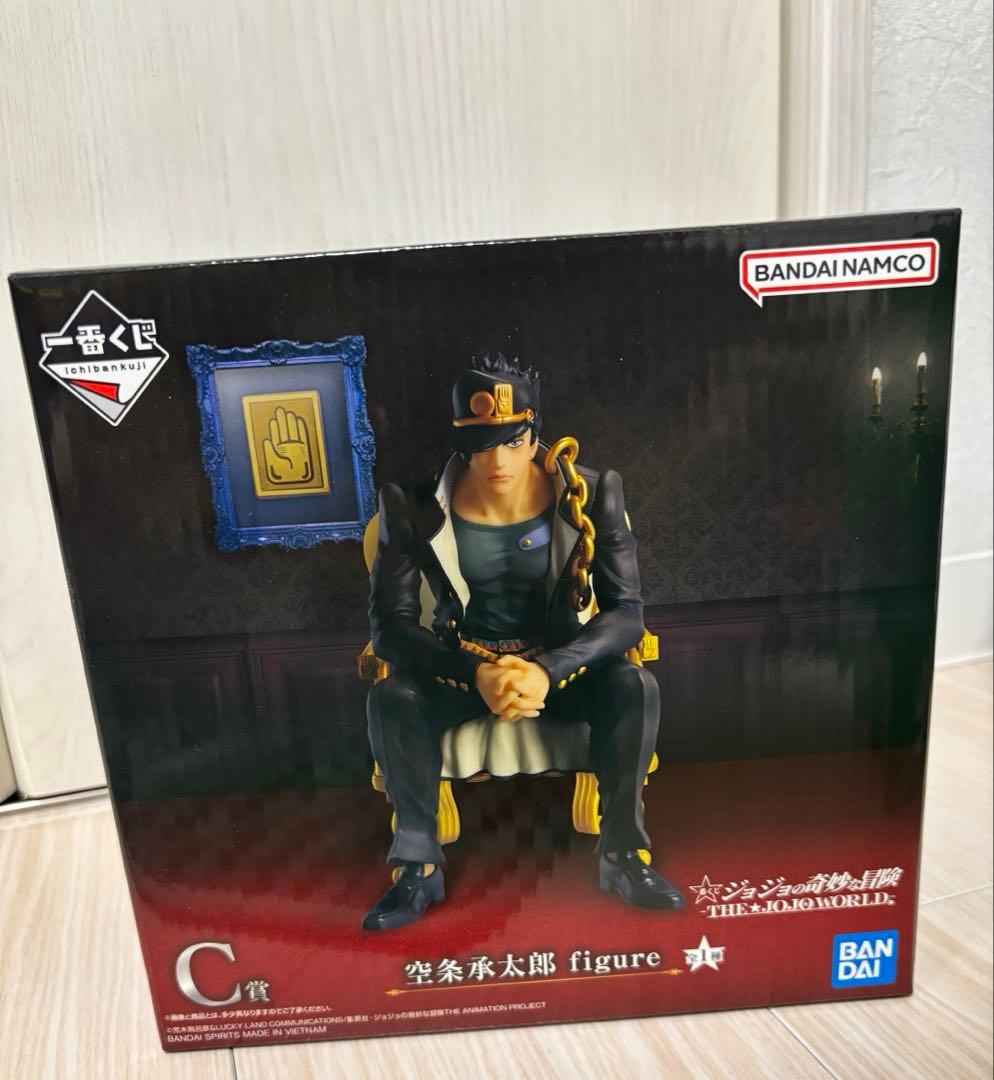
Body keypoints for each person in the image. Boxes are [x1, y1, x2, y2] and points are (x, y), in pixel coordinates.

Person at [363, 354, 684, 930]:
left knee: (634, 685)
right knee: (393, 697)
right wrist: (476, 674)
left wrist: (549, 669)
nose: (498, 461)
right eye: (482, 445)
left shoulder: (591, 492)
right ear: (461, 442)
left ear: (535, 433)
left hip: (559, 669)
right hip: (463, 667)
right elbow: (391, 627)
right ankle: (417, 869)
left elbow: (627, 614)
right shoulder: (410, 503)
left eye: (513, 442)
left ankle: (624, 856)